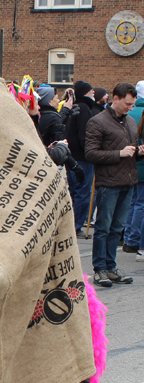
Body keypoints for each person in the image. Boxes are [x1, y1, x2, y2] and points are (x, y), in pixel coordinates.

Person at [85, 82, 144, 287]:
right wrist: (119, 153)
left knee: (117, 227)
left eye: (132, 104)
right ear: (115, 99)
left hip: (128, 181)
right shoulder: (97, 121)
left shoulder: (129, 122)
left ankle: (111, 267)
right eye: (127, 103)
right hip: (108, 183)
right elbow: (90, 153)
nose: (130, 107)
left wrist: (138, 152)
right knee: (103, 227)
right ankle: (99, 268)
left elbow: (131, 150)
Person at [66, 80, 96, 238]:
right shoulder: (85, 109)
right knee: (82, 193)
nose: (93, 93)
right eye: (91, 91)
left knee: (73, 191)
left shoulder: (74, 107)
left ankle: (71, 224)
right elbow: (85, 136)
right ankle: (76, 226)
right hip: (82, 158)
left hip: (71, 156)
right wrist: (91, 152)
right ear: (85, 93)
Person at [122, 80, 144, 254]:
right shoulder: (138, 113)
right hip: (140, 162)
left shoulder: (129, 113)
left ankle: (128, 236)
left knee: (133, 202)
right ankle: (133, 239)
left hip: (131, 163)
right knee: (140, 204)